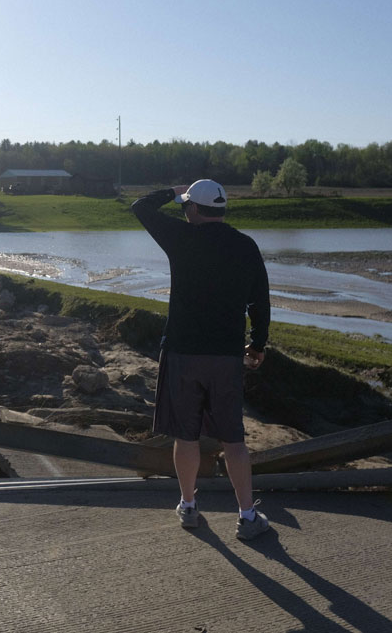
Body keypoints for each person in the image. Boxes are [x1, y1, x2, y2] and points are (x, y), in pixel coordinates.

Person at [131, 179, 271, 540]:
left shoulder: (181, 237)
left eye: (186, 205)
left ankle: (189, 506)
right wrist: (257, 345)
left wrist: (171, 191)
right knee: (233, 440)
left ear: (193, 209)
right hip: (225, 357)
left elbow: (140, 208)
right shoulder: (245, 246)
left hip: (182, 353)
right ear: (221, 209)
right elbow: (260, 302)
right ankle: (247, 516)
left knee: (186, 435)